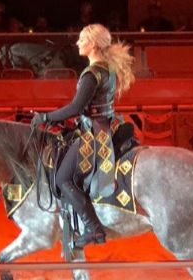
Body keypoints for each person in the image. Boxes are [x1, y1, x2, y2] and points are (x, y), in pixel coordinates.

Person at [31, 24, 135, 248]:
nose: (78, 43)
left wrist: (46, 118)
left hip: (94, 134)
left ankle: (94, 228)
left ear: (93, 44)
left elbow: (76, 108)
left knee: (62, 179)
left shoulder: (92, 74)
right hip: (109, 125)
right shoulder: (109, 69)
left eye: (82, 40)